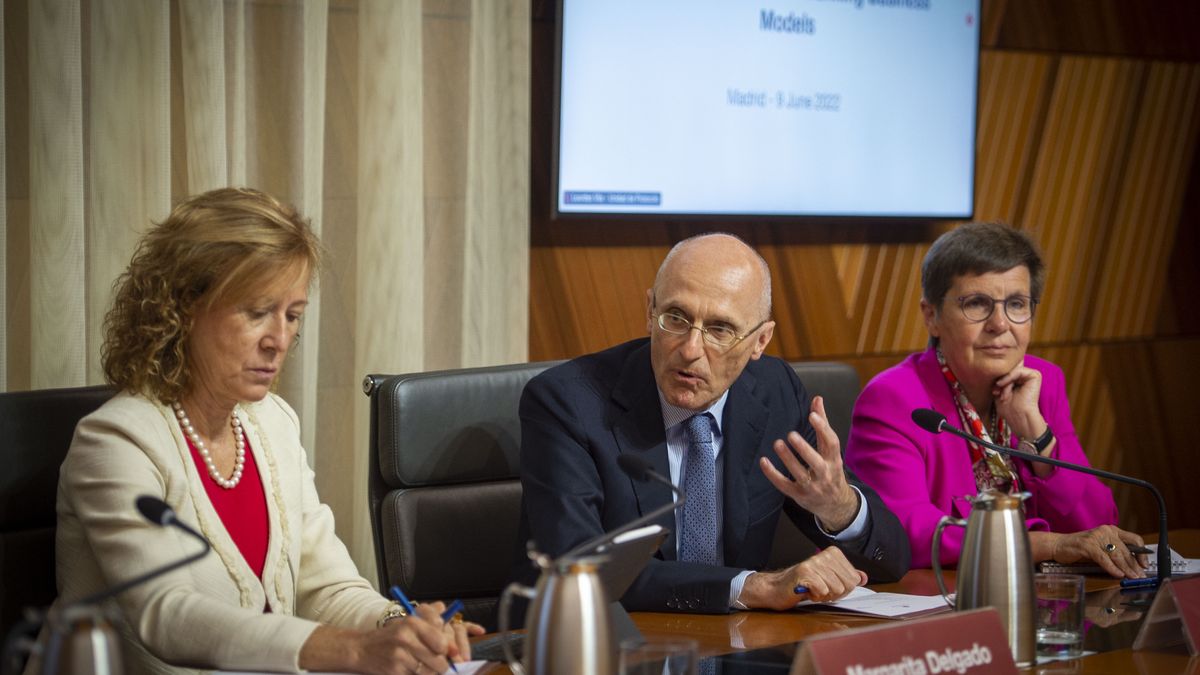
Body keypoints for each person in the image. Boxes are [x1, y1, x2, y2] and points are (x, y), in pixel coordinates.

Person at [49, 188, 480, 674]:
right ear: (182, 308)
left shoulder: (272, 422)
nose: (280, 340)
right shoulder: (117, 441)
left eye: (292, 315)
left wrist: (397, 629)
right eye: (257, 312)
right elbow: (165, 613)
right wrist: (352, 651)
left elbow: (328, 587)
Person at [514, 233, 910, 614]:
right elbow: (578, 570)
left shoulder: (775, 393)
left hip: (735, 647)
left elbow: (892, 562)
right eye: (676, 318)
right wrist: (750, 587)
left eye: (720, 330)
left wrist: (839, 508)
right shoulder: (566, 403)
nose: (689, 350)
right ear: (650, 313)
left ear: (760, 341)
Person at [844, 222, 1147, 578]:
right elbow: (905, 533)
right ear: (932, 317)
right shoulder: (895, 398)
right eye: (977, 304)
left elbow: (1098, 525)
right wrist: (1048, 545)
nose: (1000, 324)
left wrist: (1038, 435)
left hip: (1041, 602)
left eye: (1017, 304)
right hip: (944, 610)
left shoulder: (1042, 381)